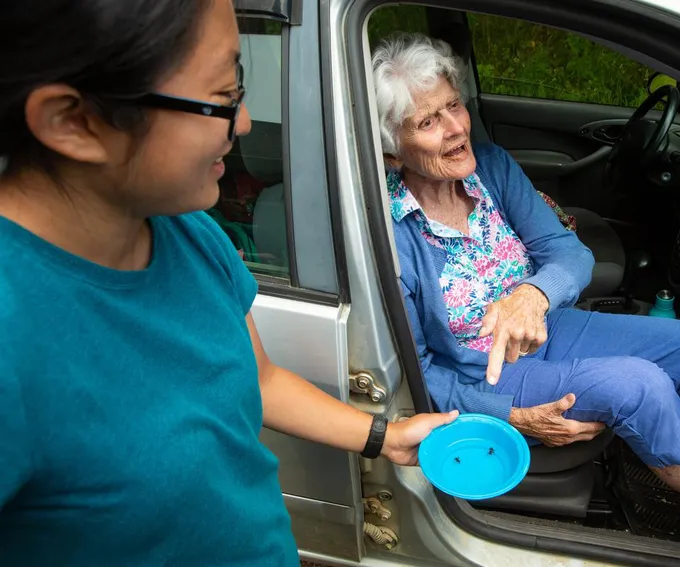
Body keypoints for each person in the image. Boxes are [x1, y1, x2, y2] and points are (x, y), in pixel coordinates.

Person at [0, 3, 459, 566]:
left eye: (238, 86)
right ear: (74, 122)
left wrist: (383, 437)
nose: (243, 124)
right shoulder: (14, 330)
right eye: (220, 99)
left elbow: (258, 379)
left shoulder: (188, 233)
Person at [373, 32, 680, 567]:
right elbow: (421, 368)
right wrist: (510, 414)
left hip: (551, 325)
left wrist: (533, 294)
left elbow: (567, 252)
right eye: (428, 122)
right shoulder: (392, 232)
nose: (456, 128)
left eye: (453, 106)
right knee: (638, 385)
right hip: (487, 369)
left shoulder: (491, 166)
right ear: (393, 146)